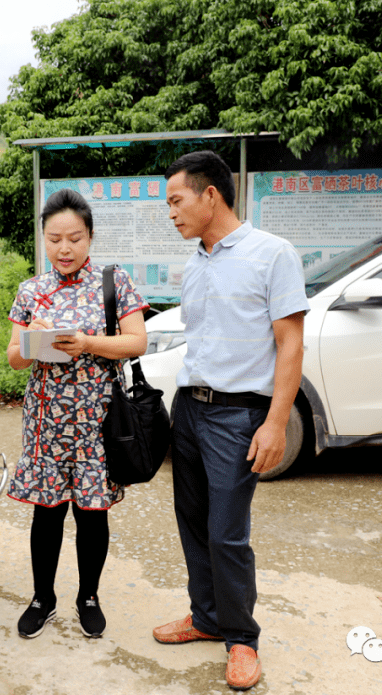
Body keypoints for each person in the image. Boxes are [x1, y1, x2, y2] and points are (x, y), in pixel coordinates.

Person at [151, 151, 308, 690]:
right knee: (192, 523)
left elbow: (290, 344)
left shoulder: (272, 254)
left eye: (176, 201)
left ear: (209, 194)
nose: (170, 212)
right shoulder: (197, 260)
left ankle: (241, 638)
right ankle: (206, 618)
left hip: (239, 416)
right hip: (190, 409)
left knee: (227, 534)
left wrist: (276, 423)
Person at [6, 188, 148, 639]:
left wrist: (86, 343)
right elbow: (13, 358)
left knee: (92, 515)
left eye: (74, 238)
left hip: (96, 424)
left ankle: (89, 596)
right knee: (46, 515)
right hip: (46, 425)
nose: (64, 249)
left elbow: (136, 342)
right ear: (44, 239)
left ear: (89, 238)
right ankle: (42, 598)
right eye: (54, 239)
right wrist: (33, 338)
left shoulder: (113, 283)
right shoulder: (31, 290)